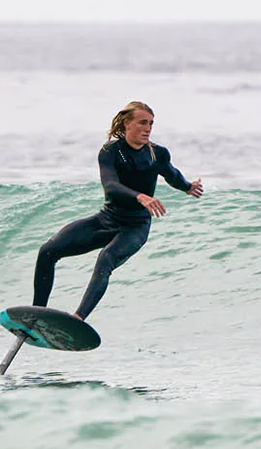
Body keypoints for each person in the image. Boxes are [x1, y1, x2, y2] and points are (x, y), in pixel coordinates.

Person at [32, 101, 203, 320]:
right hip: (107, 220)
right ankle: (37, 313)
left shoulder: (157, 154)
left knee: (106, 258)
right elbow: (111, 184)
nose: (148, 128)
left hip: (135, 227)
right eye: (142, 122)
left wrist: (188, 186)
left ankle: (78, 318)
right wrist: (139, 196)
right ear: (126, 123)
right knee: (47, 251)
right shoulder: (110, 151)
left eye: (151, 123)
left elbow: (172, 174)